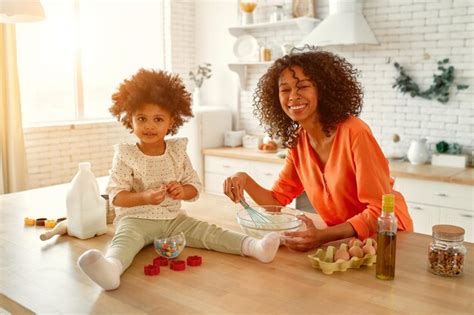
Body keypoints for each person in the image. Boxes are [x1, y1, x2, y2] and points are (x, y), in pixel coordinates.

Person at [77, 69, 280, 291]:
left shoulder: (177, 150)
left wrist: (182, 191)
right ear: (130, 120)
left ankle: (255, 247)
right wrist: (144, 196)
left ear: (171, 121)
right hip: (135, 220)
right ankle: (111, 270)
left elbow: (194, 187)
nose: (149, 126)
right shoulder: (126, 154)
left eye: (158, 119)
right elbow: (117, 197)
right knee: (124, 242)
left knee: (209, 232)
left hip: (173, 219)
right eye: (141, 118)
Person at [223, 48, 413, 252]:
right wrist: (244, 179)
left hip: (389, 238)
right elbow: (277, 201)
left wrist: (322, 236)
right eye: (285, 90)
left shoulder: (355, 133)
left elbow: (380, 210)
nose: (293, 97)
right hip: (346, 242)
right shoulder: (298, 143)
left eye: (303, 86)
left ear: (323, 90)